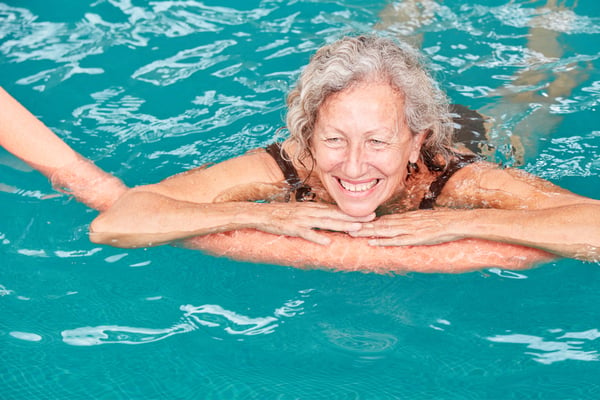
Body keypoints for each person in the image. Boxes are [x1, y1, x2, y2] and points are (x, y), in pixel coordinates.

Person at [85, 35, 599, 263]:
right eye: (333, 139)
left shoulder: (456, 179)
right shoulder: (287, 166)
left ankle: (553, 53)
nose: (353, 166)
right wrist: (264, 216)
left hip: (472, 133)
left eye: (377, 142)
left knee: (528, 108)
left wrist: (460, 221)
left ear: (416, 141)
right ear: (307, 137)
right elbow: (118, 221)